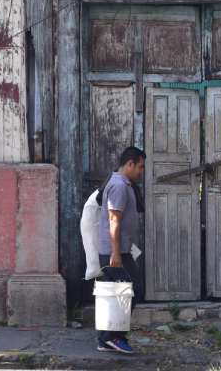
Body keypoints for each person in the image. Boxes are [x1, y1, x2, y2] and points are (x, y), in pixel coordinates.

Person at [96, 146, 145, 355]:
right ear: (130, 164)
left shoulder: (125, 184)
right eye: (140, 167)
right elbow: (113, 220)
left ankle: (108, 338)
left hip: (121, 250)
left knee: (123, 292)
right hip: (115, 252)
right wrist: (115, 253)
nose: (142, 171)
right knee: (126, 292)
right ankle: (111, 337)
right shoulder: (119, 186)